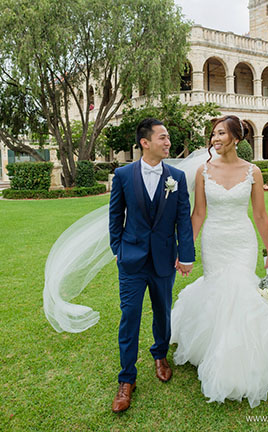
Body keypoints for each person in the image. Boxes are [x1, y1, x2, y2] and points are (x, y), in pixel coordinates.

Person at [170, 115, 268, 408]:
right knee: (220, 290)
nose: (215, 139)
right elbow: (198, 213)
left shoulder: (253, 171)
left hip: (243, 241)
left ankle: (240, 358)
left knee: (241, 291)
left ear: (236, 138)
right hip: (214, 240)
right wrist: (185, 250)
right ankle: (215, 350)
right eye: (213, 134)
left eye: (220, 134)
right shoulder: (203, 170)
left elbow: (260, 215)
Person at [109, 118, 195, 413]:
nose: (167, 141)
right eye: (162, 137)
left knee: (163, 312)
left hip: (163, 259)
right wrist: (117, 249)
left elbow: (183, 217)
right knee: (129, 317)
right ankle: (126, 379)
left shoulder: (177, 177)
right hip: (131, 261)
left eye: (168, 137)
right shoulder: (122, 174)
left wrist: (186, 254)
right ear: (145, 142)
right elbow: (115, 216)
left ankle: (160, 356)